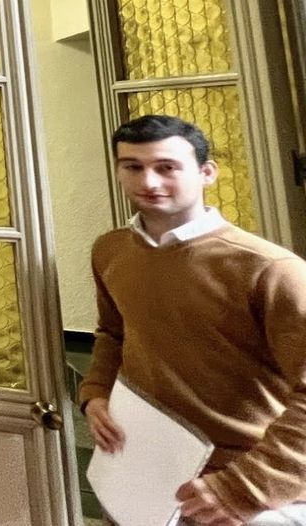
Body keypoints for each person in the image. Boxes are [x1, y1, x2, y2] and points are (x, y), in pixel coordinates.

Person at [79, 115, 306, 526]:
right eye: (133, 166)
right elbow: (113, 332)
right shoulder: (111, 250)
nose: (149, 181)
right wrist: (96, 393)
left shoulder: (270, 269)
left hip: (238, 484)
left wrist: (245, 487)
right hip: (142, 468)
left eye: (167, 167)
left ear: (207, 173)